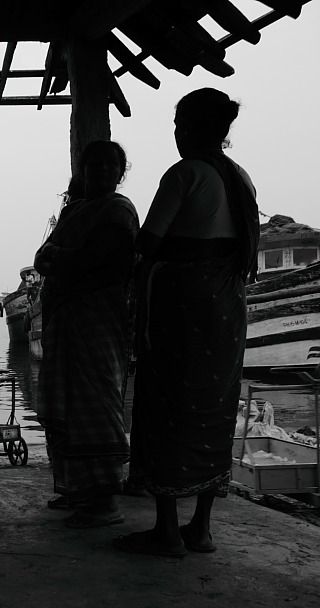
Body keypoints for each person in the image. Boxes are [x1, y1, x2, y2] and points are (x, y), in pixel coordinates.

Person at [114, 88, 258, 557]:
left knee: (165, 408)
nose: (176, 134)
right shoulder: (241, 179)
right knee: (212, 410)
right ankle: (201, 529)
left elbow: (148, 243)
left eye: (178, 125)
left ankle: (166, 531)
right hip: (225, 310)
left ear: (191, 128)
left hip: (181, 307)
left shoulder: (185, 173)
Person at [34, 140, 139, 527]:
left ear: (121, 172)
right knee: (67, 405)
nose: (102, 170)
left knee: (96, 403)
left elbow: (97, 261)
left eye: (111, 165)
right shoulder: (75, 210)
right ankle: (80, 490)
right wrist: (61, 260)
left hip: (97, 320)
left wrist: (61, 260)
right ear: (83, 168)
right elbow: (42, 257)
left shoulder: (118, 210)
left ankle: (106, 500)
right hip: (67, 321)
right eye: (95, 163)